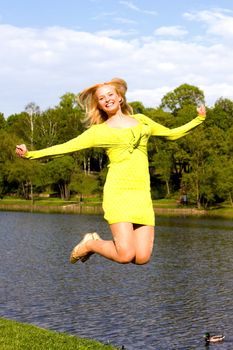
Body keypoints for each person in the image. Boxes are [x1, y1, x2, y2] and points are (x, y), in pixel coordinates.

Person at [16, 78, 206, 265]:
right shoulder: (99, 131)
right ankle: (90, 244)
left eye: (110, 94)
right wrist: (30, 154)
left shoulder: (141, 121)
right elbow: (65, 147)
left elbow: (171, 134)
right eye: (101, 98)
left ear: (120, 97)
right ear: (98, 105)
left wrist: (199, 119)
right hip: (118, 193)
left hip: (141, 195)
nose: (107, 99)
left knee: (142, 258)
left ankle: (94, 242)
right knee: (124, 255)